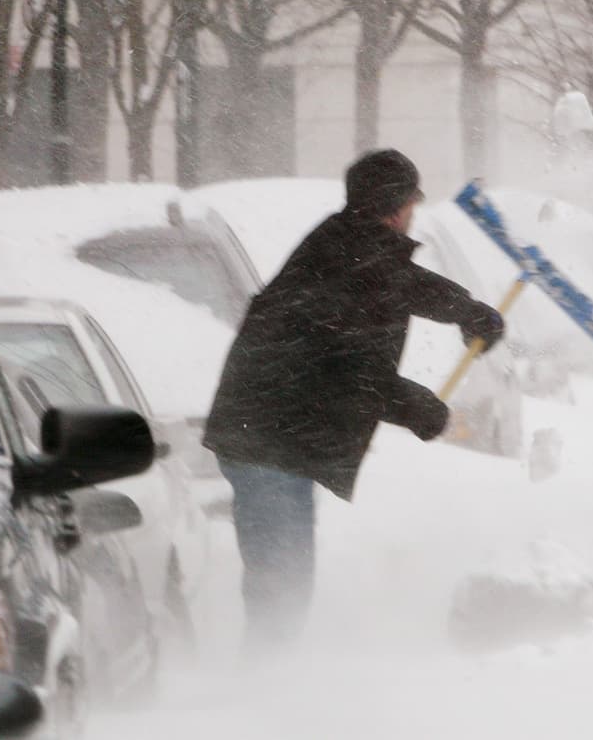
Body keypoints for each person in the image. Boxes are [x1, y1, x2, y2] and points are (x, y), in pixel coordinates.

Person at [203, 148, 505, 647]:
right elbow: (350, 371)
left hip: (268, 434)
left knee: (284, 577)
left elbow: (406, 283)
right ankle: (259, 694)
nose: (413, 211)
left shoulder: (347, 243)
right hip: (268, 438)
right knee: (282, 581)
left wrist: (468, 312)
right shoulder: (351, 255)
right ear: (396, 205)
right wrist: (420, 408)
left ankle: (267, 683)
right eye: (411, 201)